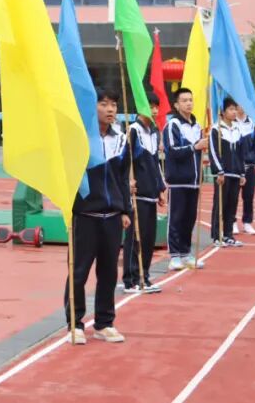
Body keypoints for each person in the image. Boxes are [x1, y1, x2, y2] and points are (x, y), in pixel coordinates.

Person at [65, 88, 133, 346]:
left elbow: (122, 177)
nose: (110, 109)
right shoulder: (81, 139)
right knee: (79, 271)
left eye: (113, 104)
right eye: (103, 104)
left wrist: (125, 209)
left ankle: (105, 323)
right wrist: (70, 209)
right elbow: (69, 176)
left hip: (112, 215)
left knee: (108, 273)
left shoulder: (121, 139)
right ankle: (75, 323)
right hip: (85, 214)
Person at [122, 99, 166, 294]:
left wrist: (161, 187)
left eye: (156, 107)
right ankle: (130, 279)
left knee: (148, 238)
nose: (155, 111)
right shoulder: (133, 131)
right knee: (135, 237)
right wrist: (128, 182)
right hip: (136, 194)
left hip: (151, 193)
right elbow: (125, 160)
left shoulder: (154, 132)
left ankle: (144, 275)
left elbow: (155, 162)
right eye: (150, 107)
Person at [162, 88, 208, 271]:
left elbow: (199, 150)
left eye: (190, 99)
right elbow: (172, 152)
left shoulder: (197, 126)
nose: (188, 103)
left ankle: (186, 252)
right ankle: (174, 255)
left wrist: (201, 148)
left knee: (190, 218)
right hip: (178, 180)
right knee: (176, 217)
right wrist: (194, 147)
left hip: (194, 181)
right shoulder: (173, 125)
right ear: (176, 104)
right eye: (184, 100)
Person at [209, 99, 244, 248]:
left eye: (235, 109)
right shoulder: (216, 129)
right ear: (223, 112)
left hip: (235, 174)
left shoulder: (237, 129)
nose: (234, 112)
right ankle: (217, 235)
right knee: (220, 205)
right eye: (230, 109)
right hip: (223, 175)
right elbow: (213, 152)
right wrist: (219, 171)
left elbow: (241, 153)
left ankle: (228, 234)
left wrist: (242, 173)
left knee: (232, 205)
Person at [235, 109, 255, 236]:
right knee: (233, 195)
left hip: (249, 164)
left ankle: (247, 222)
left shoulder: (251, 123)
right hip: (235, 165)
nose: (241, 107)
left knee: (248, 195)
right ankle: (232, 222)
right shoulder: (231, 122)